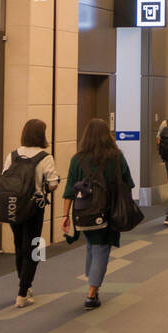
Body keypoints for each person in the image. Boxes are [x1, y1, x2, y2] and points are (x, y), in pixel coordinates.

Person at [62, 118, 134, 309]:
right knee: (101, 248)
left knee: (92, 245)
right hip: (107, 212)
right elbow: (128, 183)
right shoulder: (116, 157)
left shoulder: (77, 159)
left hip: (83, 212)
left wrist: (65, 216)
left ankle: (92, 281)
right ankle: (91, 294)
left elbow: (69, 190)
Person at [2, 118, 59, 308]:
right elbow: (52, 184)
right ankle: (23, 291)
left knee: (19, 245)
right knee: (34, 248)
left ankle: (25, 285)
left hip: (14, 205)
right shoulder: (45, 157)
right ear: (41, 135)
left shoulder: (13, 155)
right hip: (35, 207)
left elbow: (5, 178)